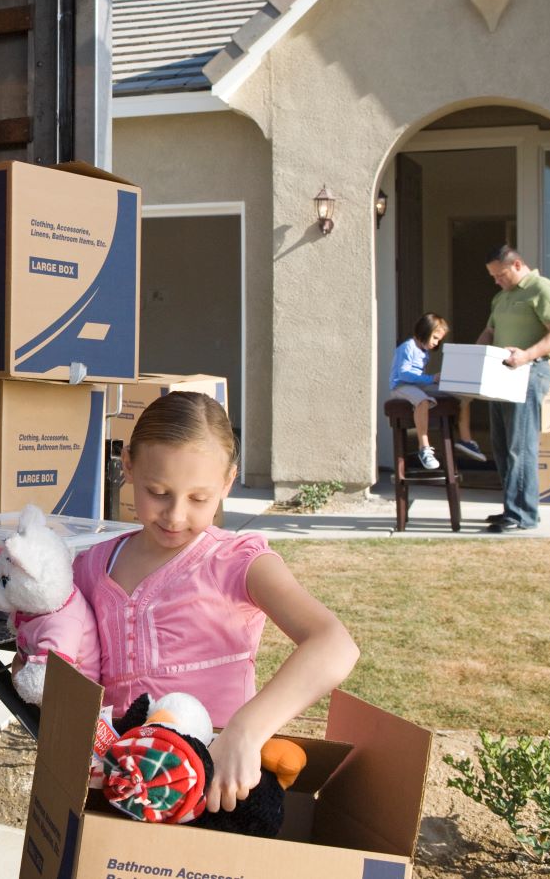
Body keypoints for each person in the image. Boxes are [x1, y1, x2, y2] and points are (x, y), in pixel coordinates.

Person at [71, 392, 359, 817]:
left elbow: (335, 645)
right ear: (127, 465)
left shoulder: (239, 562)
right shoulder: (93, 564)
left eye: (199, 499)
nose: (175, 515)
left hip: (218, 789)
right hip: (114, 789)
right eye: (157, 491)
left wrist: (246, 730)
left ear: (227, 483)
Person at [475, 244, 550, 534]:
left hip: (528, 373)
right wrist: (472, 359)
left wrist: (526, 355)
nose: (496, 281)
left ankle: (523, 514)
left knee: (521, 446)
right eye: (492, 276)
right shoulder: (501, 297)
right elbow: (489, 332)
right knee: (502, 446)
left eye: (500, 274)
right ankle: (511, 507)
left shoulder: (543, 289)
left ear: (517, 265)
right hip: (500, 376)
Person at [389, 312, 451, 472]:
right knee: (422, 400)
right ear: (424, 331)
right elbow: (404, 374)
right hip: (400, 386)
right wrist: (431, 379)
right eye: (435, 338)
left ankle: (463, 438)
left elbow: (420, 378)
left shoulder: (424, 351)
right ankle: (424, 447)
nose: (436, 343)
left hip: (415, 385)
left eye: (439, 340)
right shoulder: (408, 347)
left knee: (450, 392)